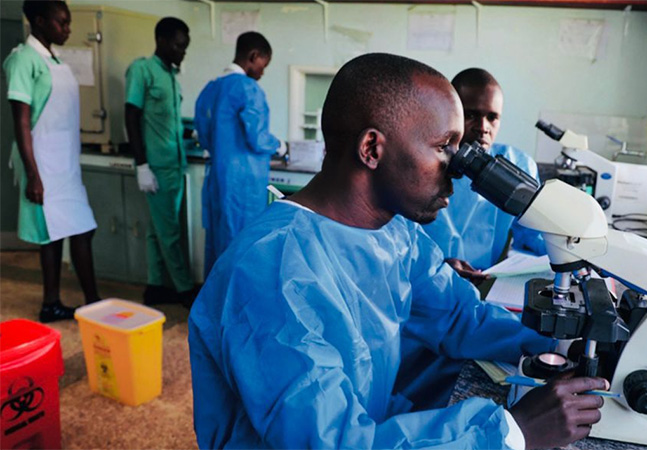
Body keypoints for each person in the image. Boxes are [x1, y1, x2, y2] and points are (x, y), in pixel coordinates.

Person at [189, 53, 607, 450]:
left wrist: (557, 346)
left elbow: (461, 316)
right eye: (445, 146)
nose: (458, 171)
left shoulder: (394, 233)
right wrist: (515, 433)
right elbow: (334, 442)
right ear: (372, 148)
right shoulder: (270, 271)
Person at [3, 0, 100, 322]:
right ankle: (62, 303)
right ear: (40, 21)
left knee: (79, 230)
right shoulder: (23, 60)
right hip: (42, 163)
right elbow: (21, 121)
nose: (68, 29)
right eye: (62, 23)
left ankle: (82, 303)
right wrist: (33, 175)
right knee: (54, 235)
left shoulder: (55, 59)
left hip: (65, 164)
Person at [422, 68, 546, 284]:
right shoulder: (423, 164)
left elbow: (533, 234)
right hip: (428, 284)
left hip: (486, 284)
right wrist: (436, 267)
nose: (483, 127)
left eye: (492, 117)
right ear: (451, 113)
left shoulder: (518, 165)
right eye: (471, 115)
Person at [194, 31, 284, 277]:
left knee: (217, 238)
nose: (262, 72)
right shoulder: (248, 89)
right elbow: (257, 138)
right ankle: (233, 309)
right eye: (263, 65)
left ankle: (212, 305)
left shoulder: (211, 88)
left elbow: (203, 133)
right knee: (241, 242)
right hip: (243, 183)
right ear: (254, 56)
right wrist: (280, 145)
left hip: (217, 178)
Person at [124, 17, 195, 306]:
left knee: (157, 231)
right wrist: (141, 165)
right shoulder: (142, 70)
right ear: (162, 41)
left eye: (185, 47)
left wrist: (190, 131)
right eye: (179, 46)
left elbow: (168, 122)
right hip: (157, 167)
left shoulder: (170, 75)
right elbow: (131, 115)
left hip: (174, 165)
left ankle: (154, 286)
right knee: (171, 234)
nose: (182, 52)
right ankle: (185, 289)